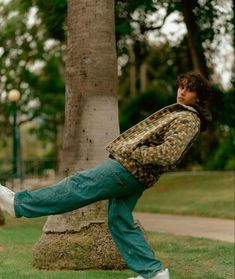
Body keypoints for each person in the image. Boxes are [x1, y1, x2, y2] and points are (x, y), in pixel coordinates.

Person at [0, 73, 212, 279]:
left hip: (127, 169)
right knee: (119, 221)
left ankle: (18, 204)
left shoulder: (187, 118)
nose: (182, 92)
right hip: (136, 175)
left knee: (77, 186)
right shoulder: (182, 114)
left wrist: (132, 152)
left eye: (189, 89)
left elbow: (168, 154)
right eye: (181, 87)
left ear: (199, 97)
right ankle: (154, 273)